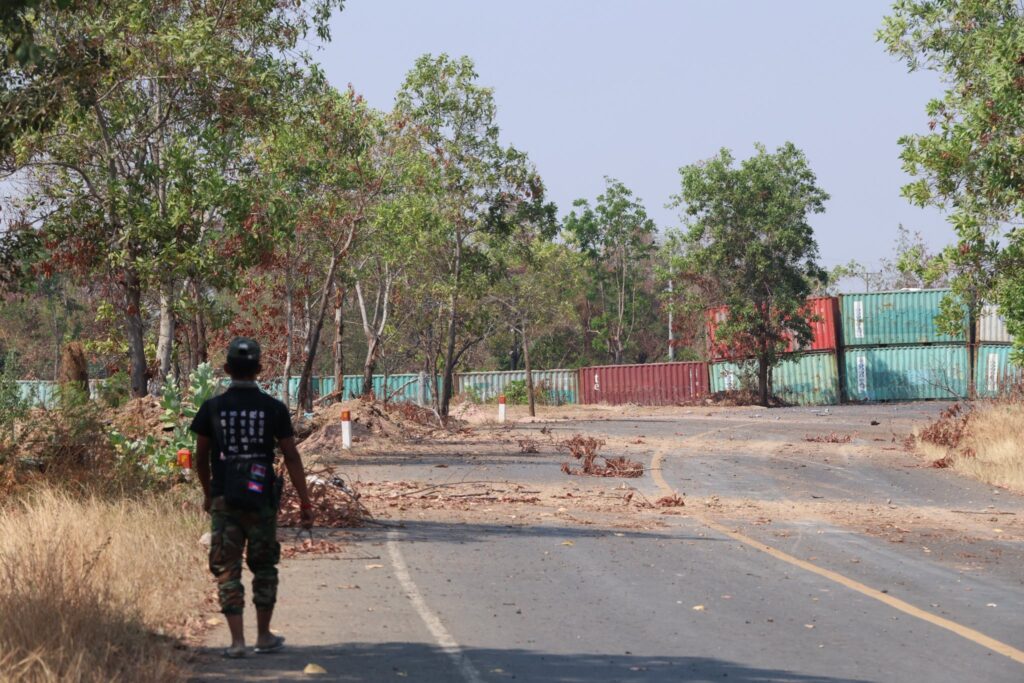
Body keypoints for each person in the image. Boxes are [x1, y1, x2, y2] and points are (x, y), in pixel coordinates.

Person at [191, 337, 314, 658]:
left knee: (227, 569)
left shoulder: (212, 408)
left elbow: (200, 458)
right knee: (264, 567)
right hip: (261, 502)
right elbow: (291, 456)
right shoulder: (273, 408)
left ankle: (237, 643)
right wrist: (305, 502)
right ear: (259, 369)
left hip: (224, 500)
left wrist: (208, 494)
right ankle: (263, 636)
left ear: (226, 369)